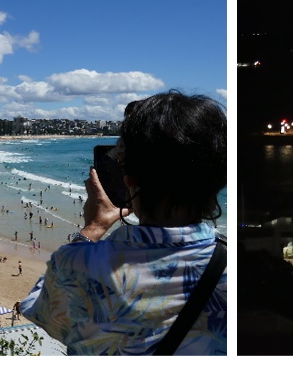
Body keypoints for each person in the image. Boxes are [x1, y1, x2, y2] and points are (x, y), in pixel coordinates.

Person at [20, 91, 226, 355]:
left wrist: (92, 229)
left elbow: (41, 312)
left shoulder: (79, 265)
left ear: (128, 179)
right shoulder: (239, 266)